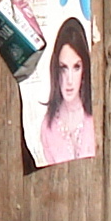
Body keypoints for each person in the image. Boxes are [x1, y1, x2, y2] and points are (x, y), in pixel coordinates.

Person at [34, 16, 98, 165]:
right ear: (56, 69)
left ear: (85, 69)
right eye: (63, 68)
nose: (69, 80)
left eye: (76, 67)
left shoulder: (94, 117)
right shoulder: (48, 127)